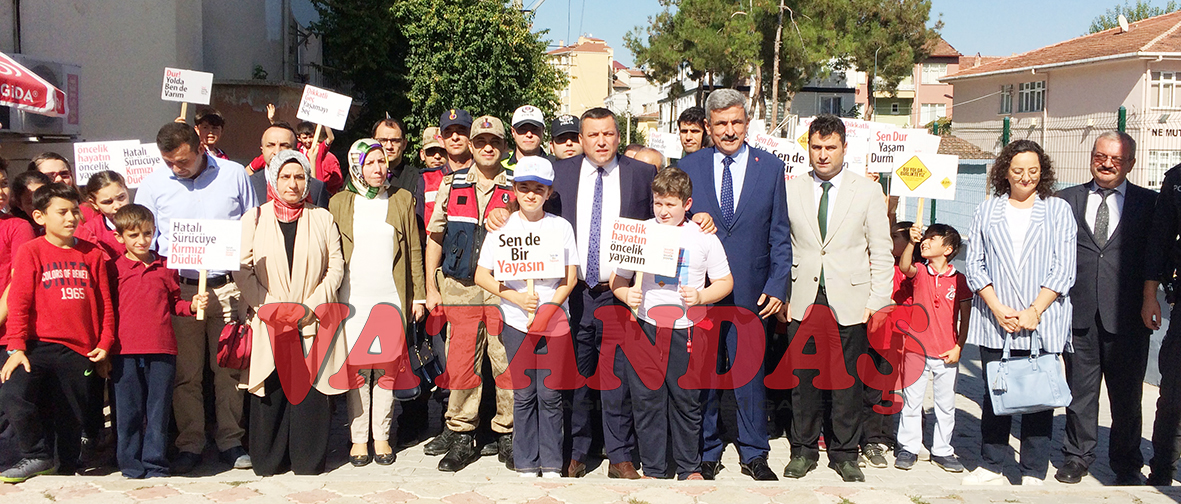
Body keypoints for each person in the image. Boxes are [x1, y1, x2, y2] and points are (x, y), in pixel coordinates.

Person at [679, 89, 790, 481]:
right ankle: (707, 450)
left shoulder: (771, 168)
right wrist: (692, 221)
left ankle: (754, 451)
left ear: (747, 124)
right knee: (705, 372)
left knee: (749, 374)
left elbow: (779, 232)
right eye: (721, 124)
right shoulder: (688, 166)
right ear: (708, 127)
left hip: (752, 291)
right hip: (703, 294)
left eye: (736, 122)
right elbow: (671, 223)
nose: (729, 131)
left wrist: (779, 285)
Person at [135, 121, 258, 474]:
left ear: (201, 148)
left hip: (229, 286)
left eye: (183, 161)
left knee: (229, 369)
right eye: (169, 162)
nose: (176, 168)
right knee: (186, 374)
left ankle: (231, 440)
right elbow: (144, 235)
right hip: (181, 290)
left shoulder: (234, 175)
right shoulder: (155, 183)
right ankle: (190, 442)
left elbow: (252, 222)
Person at [544, 107, 657, 480]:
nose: (602, 141)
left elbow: (663, 219)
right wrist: (502, 214)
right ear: (581, 138)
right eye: (593, 135)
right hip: (574, 292)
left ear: (618, 136)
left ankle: (620, 455)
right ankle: (577, 451)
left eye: (608, 134)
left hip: (618, 291)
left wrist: (699, 220)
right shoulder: (558, 172)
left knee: (617, 377)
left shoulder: (642, 175)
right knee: (576, 376)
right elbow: (529, 210)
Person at [782, 114, 892, 483]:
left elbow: (881, 249)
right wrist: (782, 296)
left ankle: (845, 454)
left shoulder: (867, 191)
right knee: (803, 380)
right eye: (816, 147)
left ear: (845, 147)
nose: (823, 155)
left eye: (830, 148)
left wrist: (878, 300)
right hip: (803, 297)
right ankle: (803, 450)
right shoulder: (792, 188)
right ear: (807, 148)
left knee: (846, 382)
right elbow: (784, 246)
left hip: (851, 300)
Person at [962, 139, 1077, 486]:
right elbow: (975, 263)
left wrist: (1034, 310)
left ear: (1042, 172)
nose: (1025, 177)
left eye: (1033, 170)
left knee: (1039, 395)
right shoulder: (987, 210)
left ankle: (1033, 469)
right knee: (995, 391)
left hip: (1041, 319)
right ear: (1005, 173)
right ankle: (992, 463)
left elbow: (1064, 267)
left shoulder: (1057, 211)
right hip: (996, 319)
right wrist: (997, 307)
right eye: (1018, 171)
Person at [609, 166, 734, 480]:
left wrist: (702, 296)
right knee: (647, 399)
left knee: (686, 400)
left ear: (687, 204)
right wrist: (626, 295)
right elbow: (617, 279)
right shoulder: (641, 232)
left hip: (686, 329)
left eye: (670, 205)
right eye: (658, 203)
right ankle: (653, 467)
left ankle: (689, 466)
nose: (663, 211)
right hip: (646, 325)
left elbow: (725, 281)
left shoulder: (703, 237)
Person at [235, 150, 346, 476]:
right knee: (272, 389)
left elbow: (335, 267)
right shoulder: (254, 218)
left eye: (300, 177)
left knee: (309, 391)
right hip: (269, 319)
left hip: (311, 320)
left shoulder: (322, 218)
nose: (293, 183)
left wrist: (310, 307)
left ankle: (306, 459)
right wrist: (271, 307)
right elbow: (242, 269)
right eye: (285, 176)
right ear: (273, 180)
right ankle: (270, 458)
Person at [1056, 132, 1156, 486]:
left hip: (1128, 314)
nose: (1107, 164)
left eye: (1116, 159)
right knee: (1079, 392)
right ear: (1091, 158)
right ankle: (1077, 456)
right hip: (1078, 311)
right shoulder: (1065, 200)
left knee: (1127, 395)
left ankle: (1126, 462)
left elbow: (1154, 257)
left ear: (1130, 163)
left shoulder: (1149, 204)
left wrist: (1150, 298)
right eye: (1100, 156)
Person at [0, 184, 115, 483]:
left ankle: (63, 469)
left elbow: (104, 304)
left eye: (74, 211)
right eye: (61, 212)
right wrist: (16, 346)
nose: (71, 218)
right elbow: (19, 302)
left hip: (78, 350)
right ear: (40, 216)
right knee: (13, 394)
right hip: (35, 347)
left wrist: (105, 343)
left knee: (70, 416)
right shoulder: (31, 251)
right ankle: (36, 455)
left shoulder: (92, 254)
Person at [474, 156, 579, 478]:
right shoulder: (503, 228)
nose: (531, 195)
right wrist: (516, 297)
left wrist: (548, 310)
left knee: (550, 394)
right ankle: (525, 461)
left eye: (538, 189)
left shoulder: (560, 227)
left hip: (554, 320)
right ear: (514, 190)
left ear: (548, 192)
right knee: (524, 394)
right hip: (516, 321)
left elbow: (570, 278)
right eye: (524, 188)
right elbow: (482, 274)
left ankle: (550, 462)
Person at [423, 115, 516, 472]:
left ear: (503, 147)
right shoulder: (452, 184)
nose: (488, 147)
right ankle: (461, 434)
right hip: (459, 288)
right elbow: (435, 237)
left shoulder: (516, 186)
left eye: (494, 141)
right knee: (462, 362)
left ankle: (507, 433)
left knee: (504, 362)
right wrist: (432, 287)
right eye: (481, 141)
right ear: (471, 147)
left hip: (501, 289)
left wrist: (511, 213)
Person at [329, 139, 426, 467]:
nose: (378, 168)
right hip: (353, 298)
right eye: (370, 163)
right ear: (357, 166)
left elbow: (413, 250)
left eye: (382, 162)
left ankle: (382, 435)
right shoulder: (339, 203)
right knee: (358, 372)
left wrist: (420, 296)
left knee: (385, 371)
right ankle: (358, 438)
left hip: (389, 297)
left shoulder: (401, 198)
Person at [109, 204, 208, 479]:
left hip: (162, 347)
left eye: (147, 233)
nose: (142, 241)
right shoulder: (113, 268)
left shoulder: (165, 267)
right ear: (120, 237)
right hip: (124, 350)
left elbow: (175, 303)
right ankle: (129, 463)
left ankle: (155, 463)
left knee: (158, 409)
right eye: (134, 235)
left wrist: (192, 305)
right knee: (129, 410)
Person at [893, 223, 971, 473]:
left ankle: (942, 450)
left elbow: (966, 317)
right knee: (912, 402)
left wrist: (959, 346)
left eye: (932, 239)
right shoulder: (920, 273)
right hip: (916, 349)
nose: (926, 242)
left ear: (948, 249)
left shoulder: (960, 280)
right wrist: (912, 243)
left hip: (947, 352)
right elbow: (905, 266)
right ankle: (908, 447)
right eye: (924, 238)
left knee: (945, 404)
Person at [1142, 161, 1181, 485]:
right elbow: (1160, 240)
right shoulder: (1178, 179)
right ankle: (1163, 469)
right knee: (1173, 394)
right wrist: (1150, 295)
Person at [250, 123, 331, 208]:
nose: (277, 151)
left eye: (284, 146)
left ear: (295, 150)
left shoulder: (315, 188)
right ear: (262, 149)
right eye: (271, 145)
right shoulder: (248, 184)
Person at [76, 171, 130, 259]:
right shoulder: (91, 231)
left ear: (126, 190)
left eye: (121, 197)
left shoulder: (143, 219)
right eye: (108, 202)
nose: (117, 206)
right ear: (94, 203)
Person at [295, 121, 343, 194]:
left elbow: (331, 138)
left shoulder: (318, 149)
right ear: (299, 138)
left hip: (318, 186)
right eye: (305, 138)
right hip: (302, 187)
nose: (308, 140)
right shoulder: (298, 151)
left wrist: (325, 123)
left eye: (311, 137)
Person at [372, 117, 419, 193]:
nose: (389, 146)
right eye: (383, 140)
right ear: (372, 143)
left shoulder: (418, 179)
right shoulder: (359, 177)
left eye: (395, 141)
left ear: (404, 144)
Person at [419, 126, 450, 230]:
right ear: (422, 155)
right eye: (431, 151)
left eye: (442, 151)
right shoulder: (417, 180)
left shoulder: (460, 177)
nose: (437, 156)